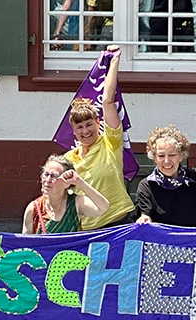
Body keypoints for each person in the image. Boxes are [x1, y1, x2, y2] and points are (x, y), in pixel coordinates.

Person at [23, 154, 109, 320]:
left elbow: (104, 207)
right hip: (42, 286)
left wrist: (80, 181)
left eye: (54, 175)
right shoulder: (33, 208)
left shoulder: (77, 203)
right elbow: (24, 247)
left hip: (71, 284)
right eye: (45, 174)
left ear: (66, 181)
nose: (47, 180)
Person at [65, 45, 135, 231]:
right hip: (86, 230)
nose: (85, 131)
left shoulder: (110, 142)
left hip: (119, 223)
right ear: (73, 130)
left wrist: (114, 61)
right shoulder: (68, 159)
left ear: (98, 123)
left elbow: (107, 101)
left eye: (89, 124)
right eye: (79, 127)